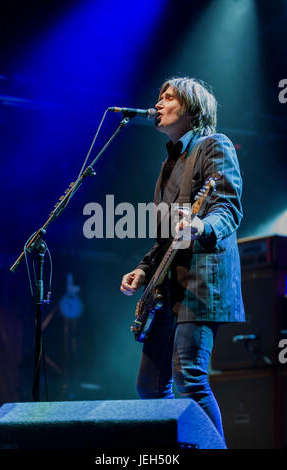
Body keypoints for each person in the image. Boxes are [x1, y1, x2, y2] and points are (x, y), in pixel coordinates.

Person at [120, 77, 245, 444]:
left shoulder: (214, 146)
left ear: (192, 110)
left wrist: (200, 226)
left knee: (189, 377)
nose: (158, 103)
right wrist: (143, 270)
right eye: (158, 96)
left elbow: (228, 208)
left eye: (168, 97)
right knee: (149, 386)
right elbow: (164, 237)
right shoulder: (168, 164)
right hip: (168, 287)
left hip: (202, 280)